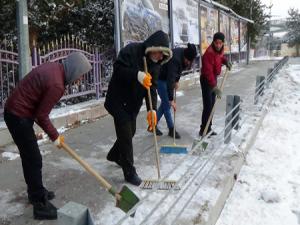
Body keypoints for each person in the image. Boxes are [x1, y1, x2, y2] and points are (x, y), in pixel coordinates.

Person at [4, 52, 92, 220]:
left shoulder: (55, 68)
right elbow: (42, 116)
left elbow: (37, 110)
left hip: (18, 112)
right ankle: (39, 205)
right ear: (74, 70)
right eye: (80, 75)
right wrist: (55, 136)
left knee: (30, 156)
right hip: (18, 115)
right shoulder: (57, 84)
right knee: (33, 158)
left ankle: (35, 192)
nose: (80, 79)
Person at [104, 30, 172, 186]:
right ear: (154, 46)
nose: (161, 57)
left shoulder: (155, 65)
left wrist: (152, 109)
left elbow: (152, 88)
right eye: (160, 53)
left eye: (163, 56)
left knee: (131, 131)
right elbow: (118, 70)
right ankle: (129, 172)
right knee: (126, 136)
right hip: (118, 101)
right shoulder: (131, 50)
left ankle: (114, 155)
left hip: (133, 104)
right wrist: (137, 75)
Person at [150, 43, 197, 139]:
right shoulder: (175, 59)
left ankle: (152, 124)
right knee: (167, 104)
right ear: (185, 56)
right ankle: (171, 129)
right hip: (160, 78)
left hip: (167, 78)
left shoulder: (184, 57)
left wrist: (177, 81)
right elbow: (169, 80)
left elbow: (179, 71)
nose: (188, 63)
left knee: (164, 104)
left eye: (190, 61)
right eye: (188, 60)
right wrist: (171, 99)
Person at [199, 32, 232, 137]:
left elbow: (220, 58)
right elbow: (208, 72)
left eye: (220, 43)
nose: (218, 45)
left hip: (213, 79)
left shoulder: (219, 51)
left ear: (222, 43)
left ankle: (208, 128)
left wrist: (226, 61)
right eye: (216, 43)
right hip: (206, 80)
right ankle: (203, 130)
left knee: (212, 105)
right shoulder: (209, 53)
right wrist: (214, 87)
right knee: (208, 106)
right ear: (213, 42)